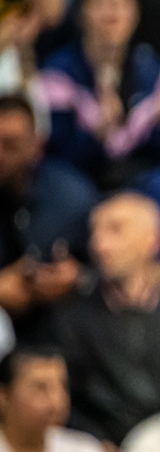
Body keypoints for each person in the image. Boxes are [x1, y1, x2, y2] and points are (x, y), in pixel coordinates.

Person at [37, 0, 160, 291]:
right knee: (71, 195)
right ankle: (83, 289)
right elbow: (52, 151)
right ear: (82, 12)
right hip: (80, 177)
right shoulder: (59, 71)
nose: (113, 9)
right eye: (102, 1)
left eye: (123, 0)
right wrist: (94, 136)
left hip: (133, 177)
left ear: (135, 13)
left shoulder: (150, 68)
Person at [45, 193, 160, 445]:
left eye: (116, 230)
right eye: (95, 232)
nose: (99, 245)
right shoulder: (72, 318)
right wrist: (96, 441)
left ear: (152, 240)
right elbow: (67, 399)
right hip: (100, 451)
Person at [0, 94, 96, 335]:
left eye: (10, 145)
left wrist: (78, 278)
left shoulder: (71, 198)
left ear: (36, 145)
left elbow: (101, 270)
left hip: (60, 329)